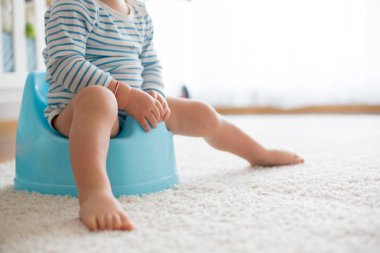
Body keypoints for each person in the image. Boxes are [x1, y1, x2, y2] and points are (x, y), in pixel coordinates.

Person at [43, 0, 304, 231]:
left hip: (134, 104)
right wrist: (125, 95)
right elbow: (64, 63)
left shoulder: (139, 11)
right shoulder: (72, 5)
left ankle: (259, 153)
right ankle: (94, 193)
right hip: (78, 111)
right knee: (100, 98)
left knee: (201, 113)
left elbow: (150, 63)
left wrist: (154, 93)